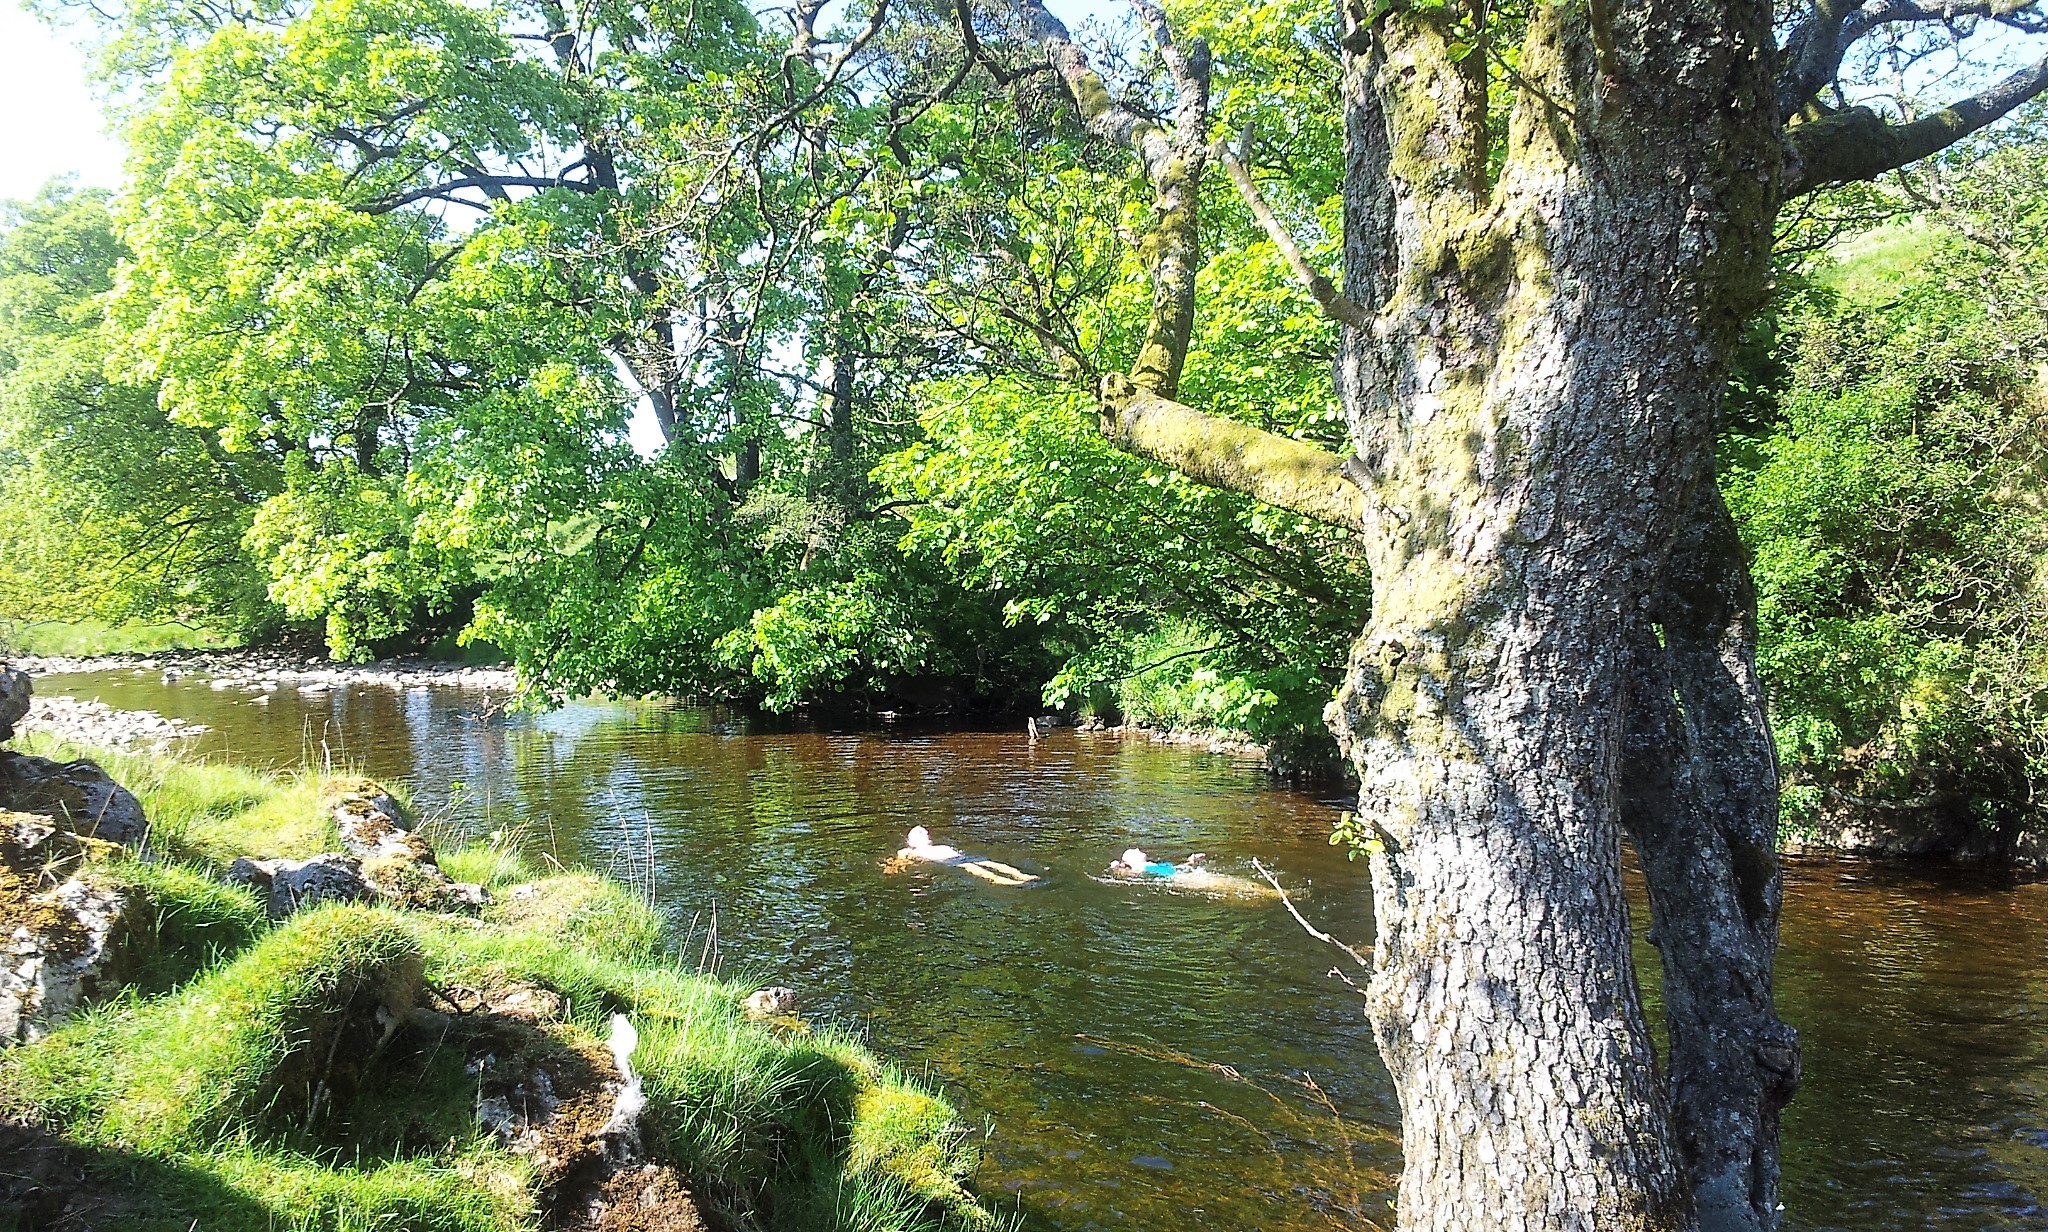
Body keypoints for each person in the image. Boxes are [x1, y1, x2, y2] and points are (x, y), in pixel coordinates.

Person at [893, 827, 1039, 886]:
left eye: (925, 833)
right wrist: (894, 867)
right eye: (921, 834)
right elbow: (899, 860)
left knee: (993, 863)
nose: (926, 835)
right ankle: (1011, 882)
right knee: (980, 871)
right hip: (952, 861)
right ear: (912, 840)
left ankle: (1022, 875)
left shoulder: (936, 847)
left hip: (962, 857)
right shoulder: (909, 851)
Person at [1110, 848, 1205, 878]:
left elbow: (1176, 868)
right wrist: (1116, 866)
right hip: (1178, 878)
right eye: (1134, 850)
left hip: (1180, 874)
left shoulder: (1152, 864)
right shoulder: (1136, 868)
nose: (1137, 849)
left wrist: (1190, 862)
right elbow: (1121, 873)